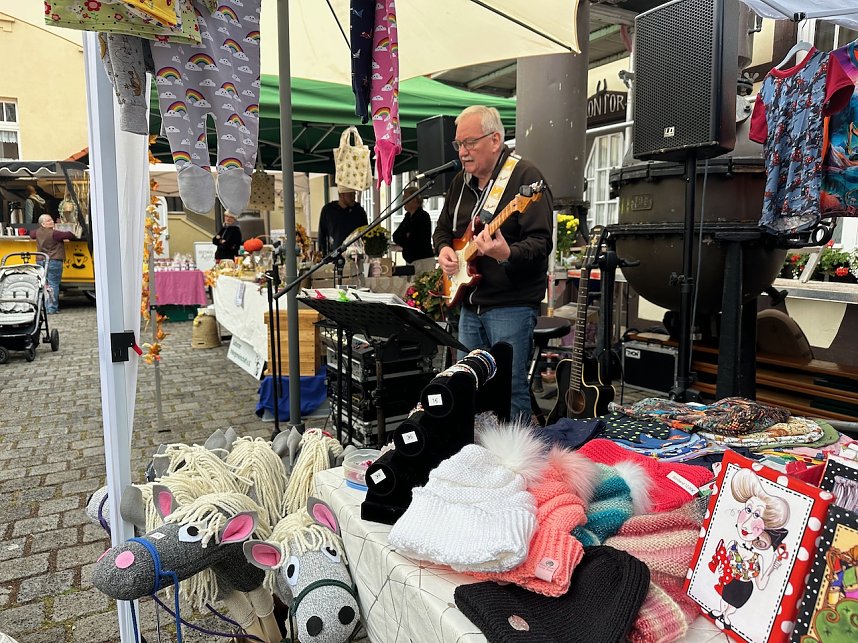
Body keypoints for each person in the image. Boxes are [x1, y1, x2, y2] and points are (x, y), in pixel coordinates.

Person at [433, 105, 553, 422]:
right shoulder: (461, 182)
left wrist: (505, 253)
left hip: (510, 304)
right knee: (466, 386)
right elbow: (442, 229)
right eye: (458, 144)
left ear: (495, 139)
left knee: (511, 391)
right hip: (470, 306)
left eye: (470, 142)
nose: (462, 151)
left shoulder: (525, 178)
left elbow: (541, 244)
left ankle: (519, 465)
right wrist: (445, 249)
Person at [29, 214, 76, 314]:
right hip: (53, 260)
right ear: (43, 224)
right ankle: (52, 308)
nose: (52, 221)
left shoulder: (37, 232)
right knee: (53, 284)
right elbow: (70, 235)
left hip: (40, 261)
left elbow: (31, 234)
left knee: (45, 284)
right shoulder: (55, 234)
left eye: (51, 220)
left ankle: (46, 307)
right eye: (48, 221)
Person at [392, 186, 435, 275]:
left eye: (405, 199)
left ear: (414, 200)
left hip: (423, 261)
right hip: (410, 261)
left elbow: (414, 240)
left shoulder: (423, 216)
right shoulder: (407, 217)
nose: (403, 202)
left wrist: (405, 237)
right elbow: (396, 236)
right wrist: (405, 236)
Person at [317, 188, 368, 255]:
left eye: (354, 194)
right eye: (350, 195)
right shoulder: (328, 210)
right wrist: (323, 254)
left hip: (357, 254)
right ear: (341, 195)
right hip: (336, 254)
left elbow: (366, 232)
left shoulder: (359, 211)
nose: (354, 198)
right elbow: (322, 234)